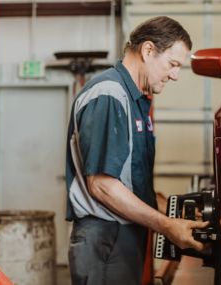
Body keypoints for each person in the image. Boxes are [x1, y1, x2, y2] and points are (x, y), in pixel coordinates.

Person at [65, 16, 209, 285]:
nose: (175, 75)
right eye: (173, 64)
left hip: (124, 234)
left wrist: (174, 213)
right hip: (106, 239)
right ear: (148, 50)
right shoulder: (109, 95)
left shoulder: (135, 99)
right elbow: (103, 186)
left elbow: (129, 179)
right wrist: (166, 226)